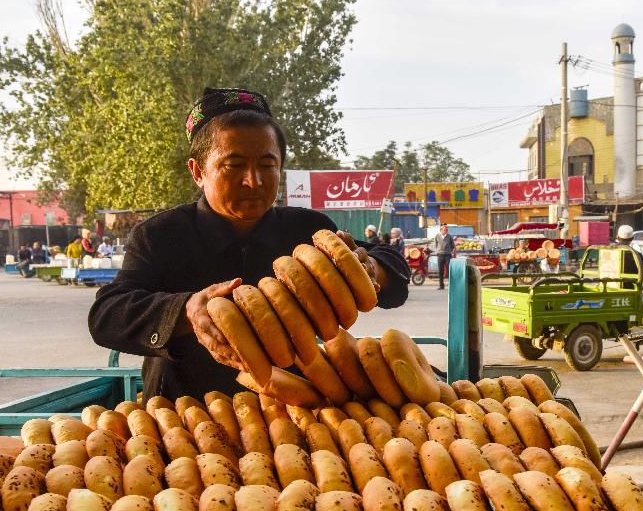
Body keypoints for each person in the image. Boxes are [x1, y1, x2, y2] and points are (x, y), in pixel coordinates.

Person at [88, 86, 410, 401]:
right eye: (234, 165)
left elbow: (394, 270)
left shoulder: (308, 230)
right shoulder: (159, 235)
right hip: (184, 421)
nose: (253, 181)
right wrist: (185, 313)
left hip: (293, 417)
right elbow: (107, 315)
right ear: (198, 171)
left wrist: (369, 269)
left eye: (267, 165)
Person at [434, 224, 455, 290]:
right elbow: (435, 244)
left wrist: (449, 251)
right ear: (441, 230)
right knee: (440, 271)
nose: (445, 231)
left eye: (446, 230)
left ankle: (451, 285)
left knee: (449, 270)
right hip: (440, 255)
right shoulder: (437, 236)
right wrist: (438, 251)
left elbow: (453, 245)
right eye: (444, 230)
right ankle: (441, 286)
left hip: (448, 255)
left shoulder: (449, 236)